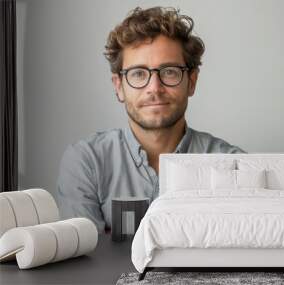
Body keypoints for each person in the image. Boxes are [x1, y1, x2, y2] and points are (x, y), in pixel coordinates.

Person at [56, 7, 245, 233]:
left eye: (169, 72)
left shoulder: (232, 164)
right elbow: (86, 260)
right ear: (119, 86)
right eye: (138, 73)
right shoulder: (87, 162)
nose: (154, 88)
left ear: (192, 81)